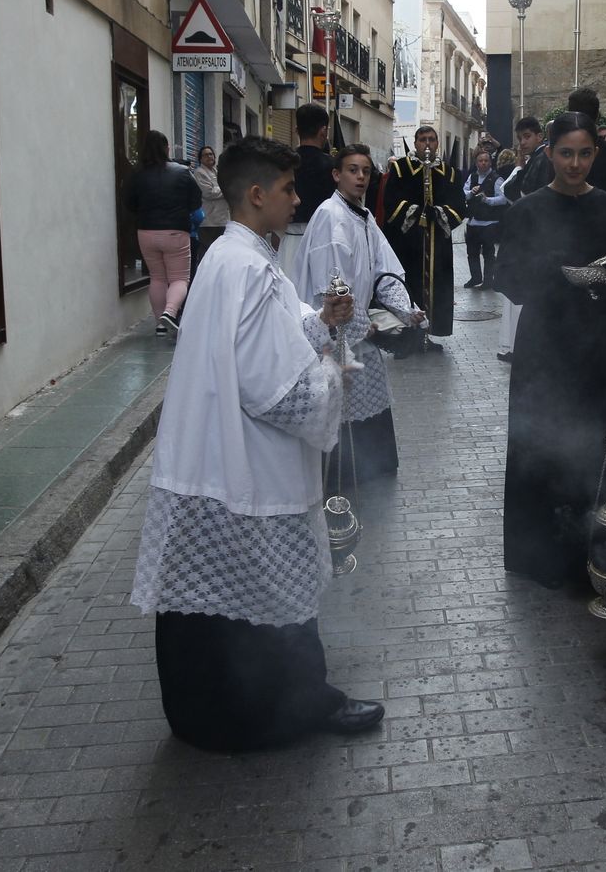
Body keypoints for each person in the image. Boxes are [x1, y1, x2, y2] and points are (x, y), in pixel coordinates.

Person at [131, 136, 383, 751]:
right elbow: (280, 392)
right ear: (256, 194)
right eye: (289, 189)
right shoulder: (246, 266)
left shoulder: (231, 256)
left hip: (212, 456)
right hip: (249, 462)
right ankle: (290, 708)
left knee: (218, 599)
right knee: (269, 591)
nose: (297, 200)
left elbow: (276, 332)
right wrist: (333, 377)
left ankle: (207, 713)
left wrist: (320, 322)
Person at [495, 111, 606, 588]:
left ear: (595, 154)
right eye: (566, 153)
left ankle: (599, 553)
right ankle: (544, 556)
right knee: (543, 442)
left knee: (597, 442)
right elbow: (508, 280)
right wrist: (555, 272)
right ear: (549, 153)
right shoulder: (526, 211)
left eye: (584, 154)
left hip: (601, 343)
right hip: (546, 346)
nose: (575, 164)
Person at [292, 144, 422, 486]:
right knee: (338, 398)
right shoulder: (330, 216)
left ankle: (367, 468)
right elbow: (332, 288)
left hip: (356, 323)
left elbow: (385, 270)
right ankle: (338, 477)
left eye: (365, 171)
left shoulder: (362, 216)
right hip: (332, 327)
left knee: (366, 389)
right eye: (352, 170)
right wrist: (366, 327)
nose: (360, 177)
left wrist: (407, 311)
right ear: (337, 175)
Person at [382, 126, 464, 353]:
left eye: (431, 139)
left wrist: (438, 213)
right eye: (422, 139)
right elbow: (391, 202)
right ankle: (406, 338)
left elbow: (459, 206)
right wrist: (417, 213)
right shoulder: (400, 169)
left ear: (437, 143)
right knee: (409, 286)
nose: (427, 144)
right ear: (415, 143)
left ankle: (428, 334)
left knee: (436, 288)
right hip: (408, 243)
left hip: (438, 244)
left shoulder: (449, 172)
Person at [123, 129, 201, 336]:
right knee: (179, 279)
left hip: (146, 232)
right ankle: (170, 312)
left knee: (157, 278)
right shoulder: (182, 172)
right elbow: (196, 201)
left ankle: (160, 325)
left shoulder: (136, 174)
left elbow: (129, 203)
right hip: (176, 231)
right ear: (166, 148)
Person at [497, 116, 543, 362]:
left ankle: (521, 347)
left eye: (527, 137)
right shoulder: (534, 160)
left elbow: (512, 190)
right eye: (520, 138)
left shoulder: (540, 160)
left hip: (532, 242)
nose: (523, 142)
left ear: (539, 136)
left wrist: (518, 167)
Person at [285, 103, 336, 277]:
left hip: (288, 239)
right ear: (323, 131)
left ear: (297, 130)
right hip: (324, 240)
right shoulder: (333, 166)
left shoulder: (284, 163)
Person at [462, 148, 507, 289]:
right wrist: (471, 192)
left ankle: (488, 280)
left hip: (489, 223)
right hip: (473, 222)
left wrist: (487, 200)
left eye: (486, 160)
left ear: (490, 162)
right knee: (472, 253)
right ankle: (475, 278)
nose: (483, 163)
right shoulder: (472, 177)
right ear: (476, 163)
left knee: (488, 254)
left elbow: (503, 199)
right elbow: (463, 194)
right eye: (480, 161)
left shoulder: (497, 178)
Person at [192, 144, 228, 262]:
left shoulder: (216, 172)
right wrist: (225, 189)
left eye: (211, 154)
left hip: (221, 220)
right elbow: (208, 193)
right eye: (206, 155)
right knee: (207, 253)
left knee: (219, 253)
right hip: (209, 221)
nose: (209, 157)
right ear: (200, 159)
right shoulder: (200, 173)